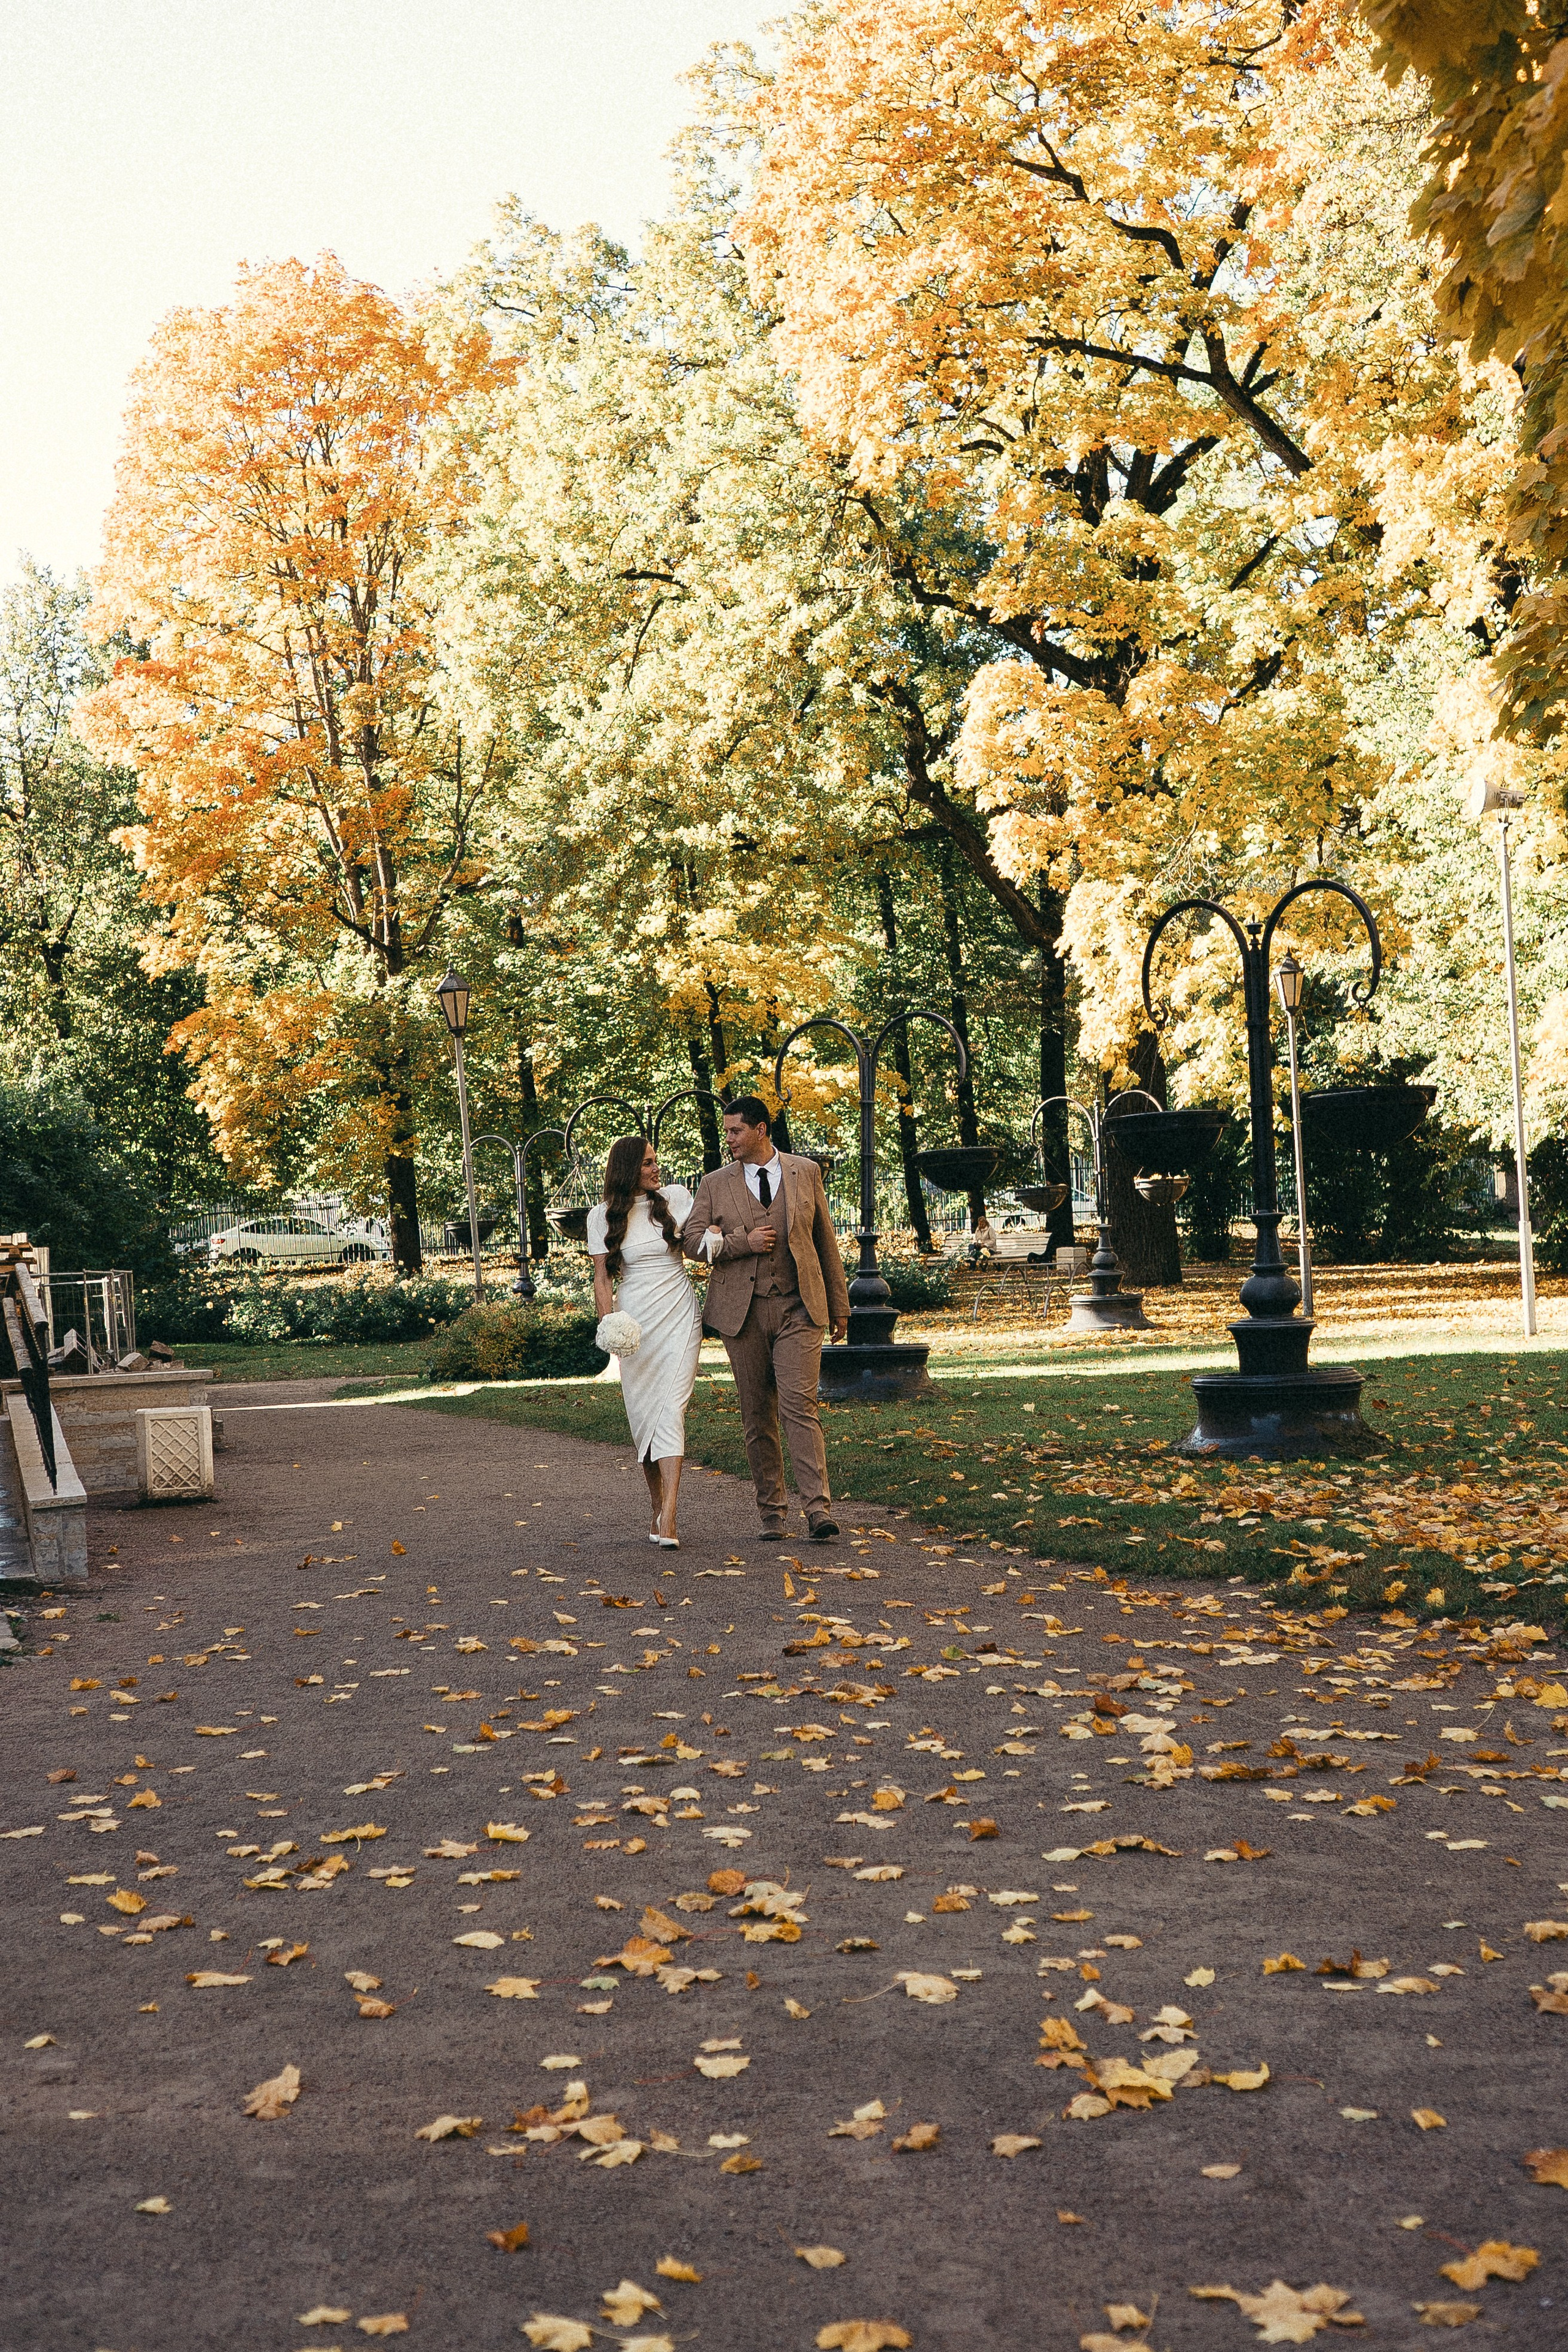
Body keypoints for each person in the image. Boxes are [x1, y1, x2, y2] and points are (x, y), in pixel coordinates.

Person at [682, 1096, 850, 1542]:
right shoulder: (714, 1183)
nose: (729, 1139)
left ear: (760, 1130)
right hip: (744, 1313)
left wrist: (840, 1305)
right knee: (757, 1413)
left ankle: (818, 1511)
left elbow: (824, 1241)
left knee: (800, 1406)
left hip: (800, 1306)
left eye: (736, 1131)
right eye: (727, 1131)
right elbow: (692, 1244)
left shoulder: (805, 1171)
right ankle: (773, 1514)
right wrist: (741, 1241)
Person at [587, 1136, 702, 1548]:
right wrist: (610, 1327)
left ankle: (669, 1517)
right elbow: (603, 1278)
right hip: (635, 1323)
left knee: (670, 1408)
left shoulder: (675, 1198)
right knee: (644, 1419)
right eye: (649, 1163)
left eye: (656, 1161)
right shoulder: (601, 1216)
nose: (658, 1169)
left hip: (678, 1315)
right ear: (628, 1170)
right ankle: (658, 1508)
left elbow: (703, 1242)